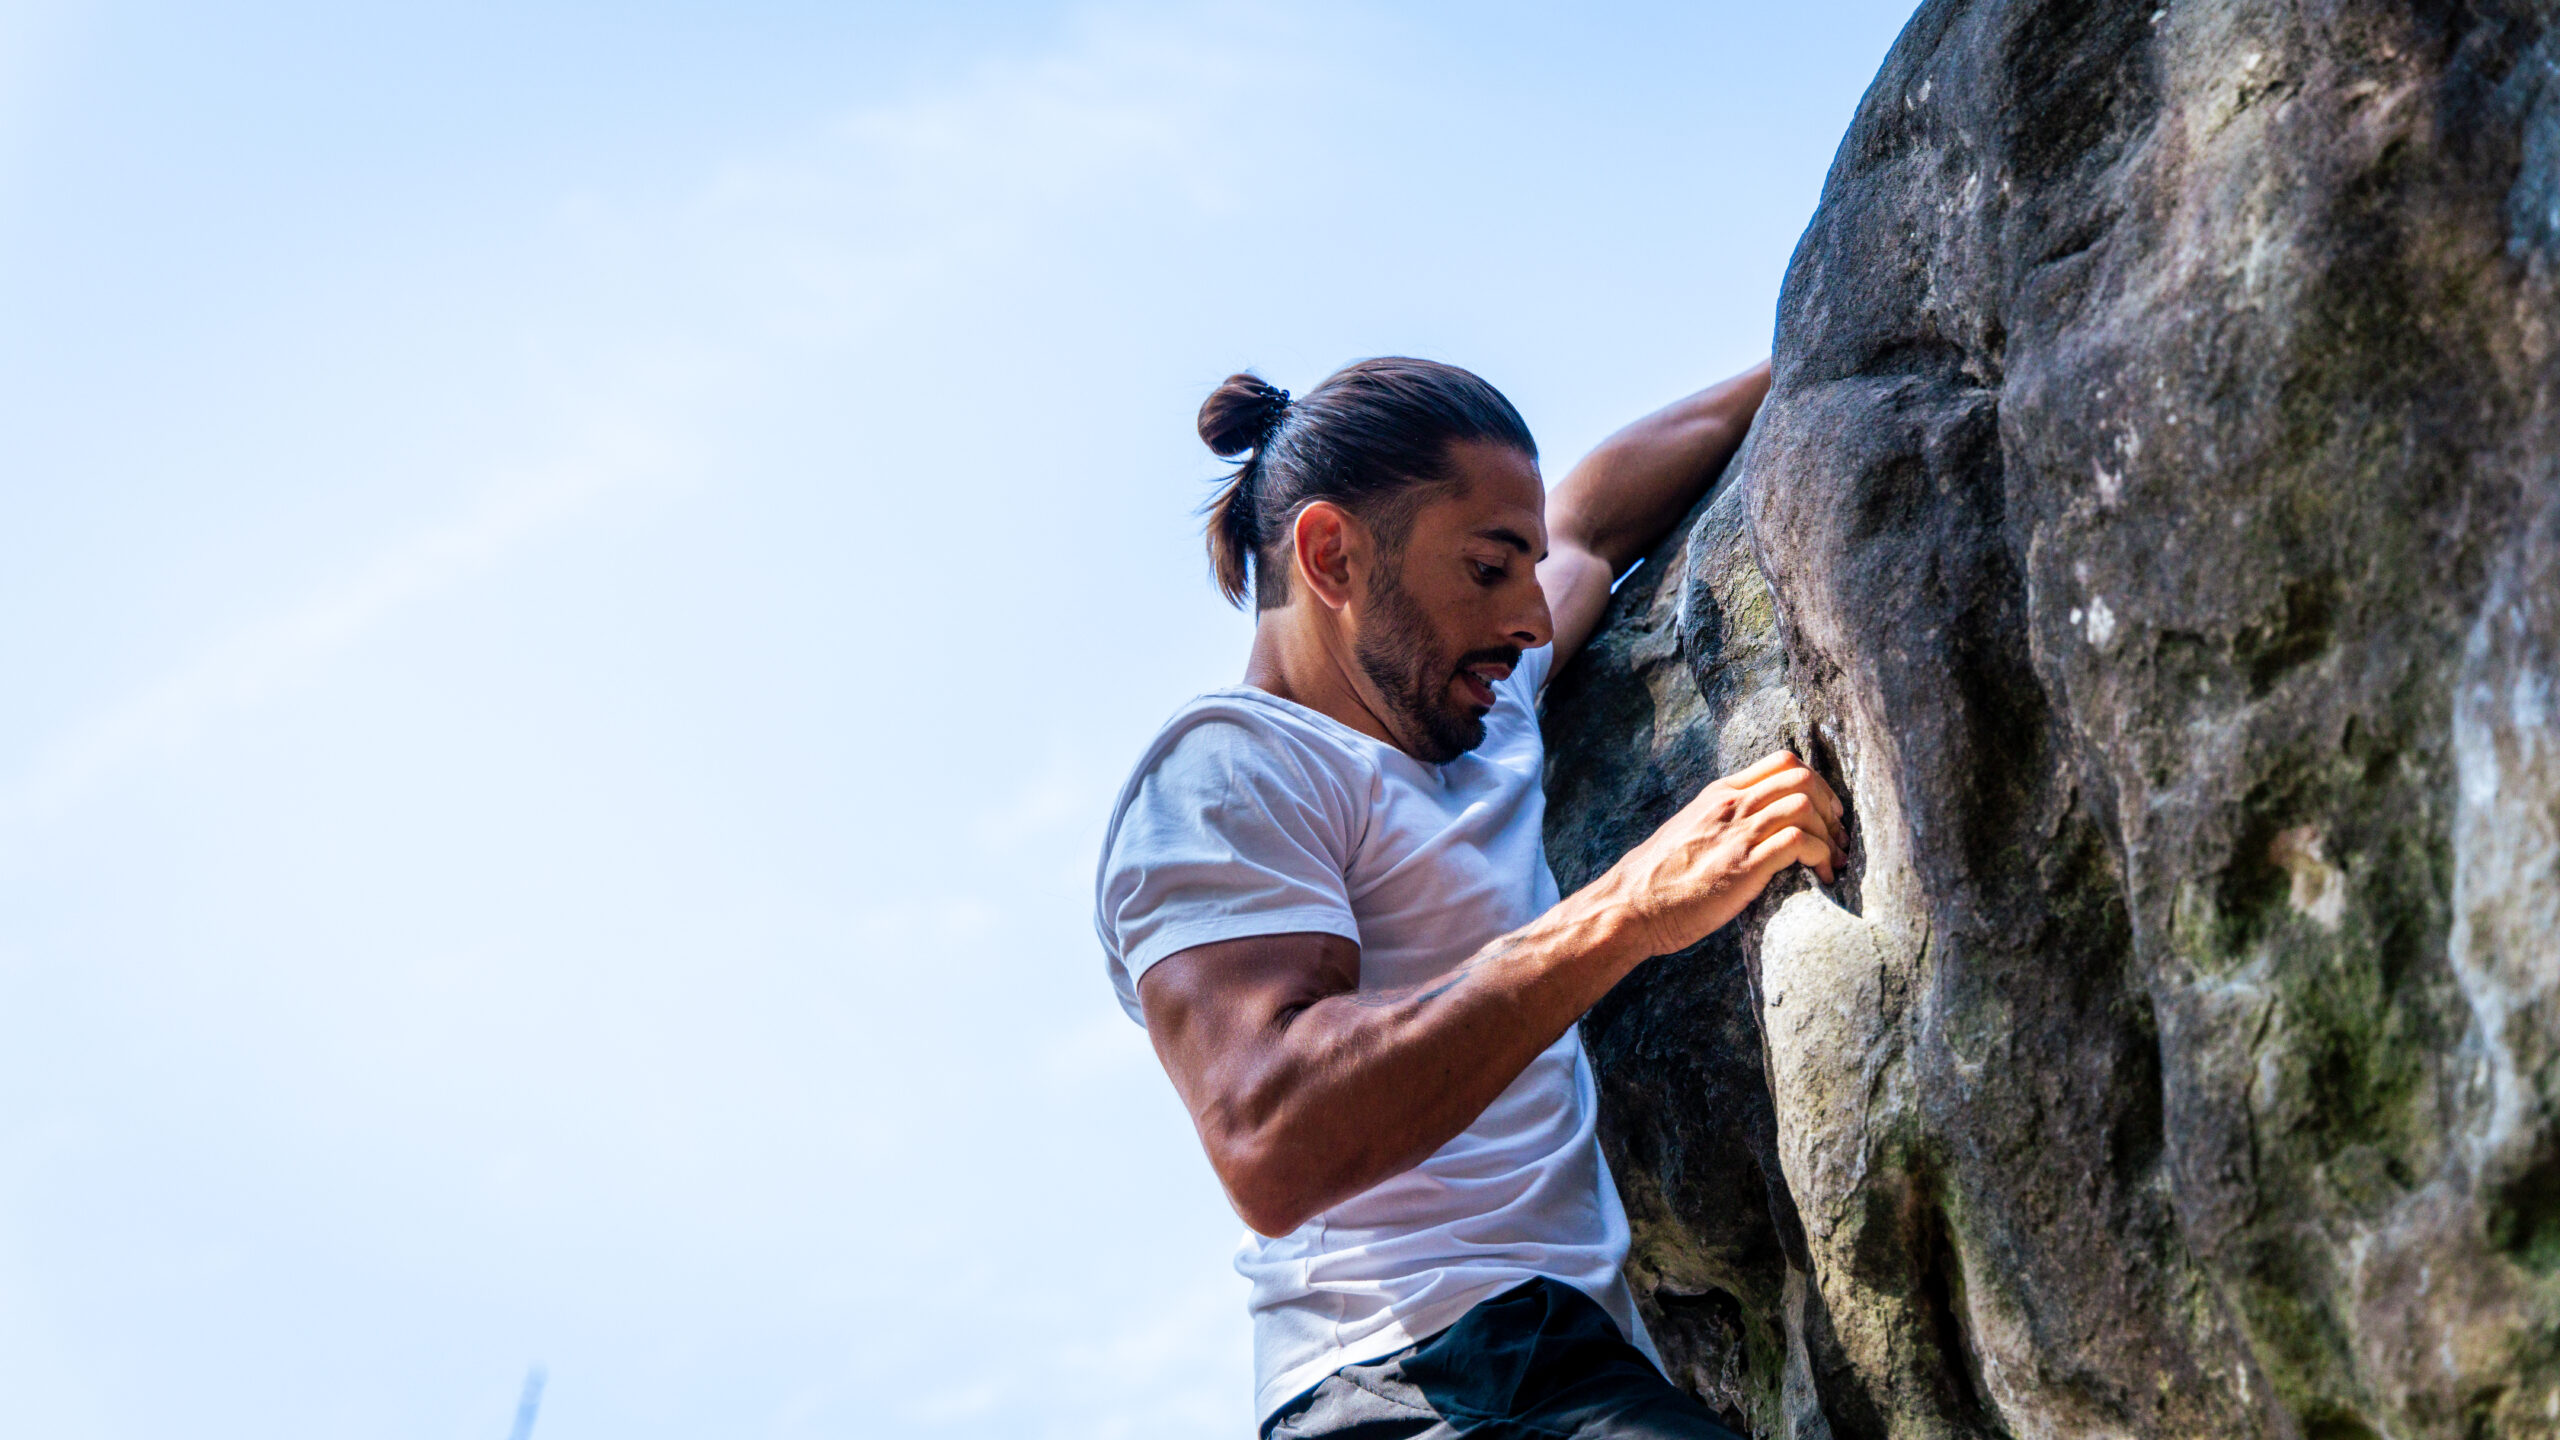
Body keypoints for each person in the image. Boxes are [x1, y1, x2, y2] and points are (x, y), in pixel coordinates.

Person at [1093, 357, 1846, 1439]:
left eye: (1525, 570)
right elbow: (1273, 1134)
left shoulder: (1481, 716)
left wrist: (1809, 337)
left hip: (1563, 1365)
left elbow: (1593, 521)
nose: (1532, 619)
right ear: (1330, 555)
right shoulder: (1228, 775)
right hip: (1409, 1383)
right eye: (1489, 569)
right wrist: (1626, 907)